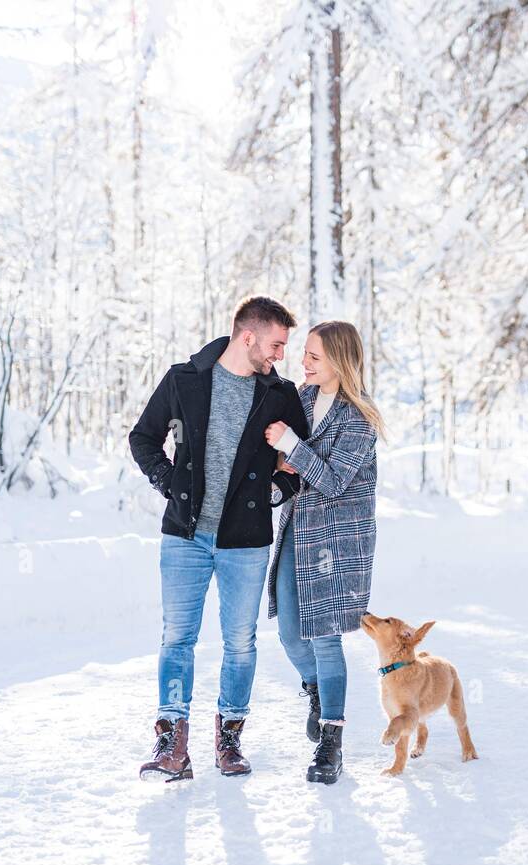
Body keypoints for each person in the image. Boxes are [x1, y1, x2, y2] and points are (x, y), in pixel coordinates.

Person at [128, 297, 309, 782]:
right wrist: (169, 483)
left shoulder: (281, 394)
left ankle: (228, 741)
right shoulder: (184, 380)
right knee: (176, 638)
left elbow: (300, 462)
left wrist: (277, 488)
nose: (280, 355)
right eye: (275, 344)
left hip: (245, 541)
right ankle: (172, 743)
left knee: (240, 643)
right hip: (184, 536)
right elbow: (142, 438)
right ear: (247, 336)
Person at [264, 320, 383, 785]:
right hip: (297, 529)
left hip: (337, 541)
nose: (304, 363)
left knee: (326, 638)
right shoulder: (303, 399)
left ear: (339, 361)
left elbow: (333, 480)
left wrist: (292, 446)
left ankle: (331, 742)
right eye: (305, 354)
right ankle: (315, 689)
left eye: (314, 356)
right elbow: (286, 464)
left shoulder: (361, 416)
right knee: (291, 634)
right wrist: (283, 461)